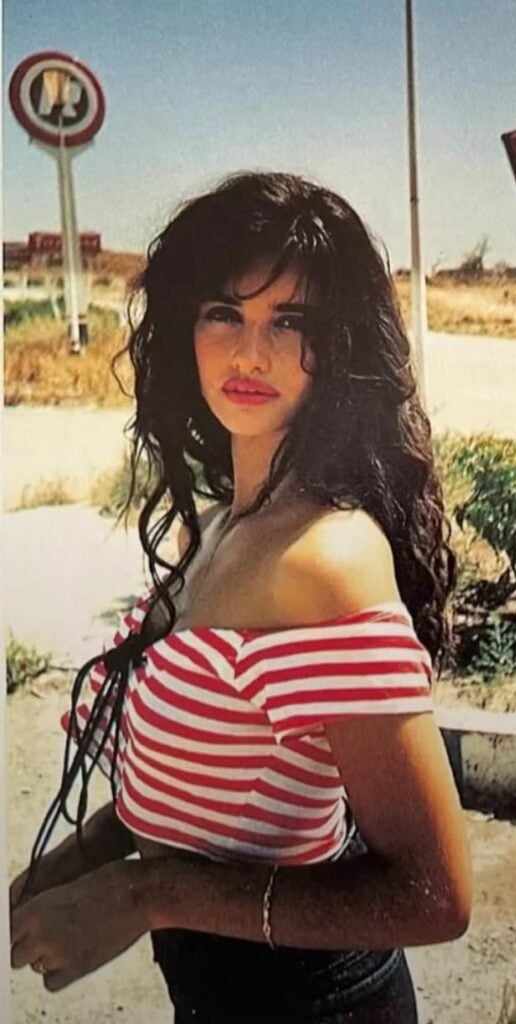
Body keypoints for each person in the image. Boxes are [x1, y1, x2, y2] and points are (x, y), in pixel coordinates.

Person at [9, 172, 472, 1024]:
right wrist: (89, 854)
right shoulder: (219, 524)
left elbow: (437, 895)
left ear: (337, 351)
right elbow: (214, 781)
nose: (251, 354)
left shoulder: (324, 560)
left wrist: (145, 894)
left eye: (290, 322)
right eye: (224, 313)